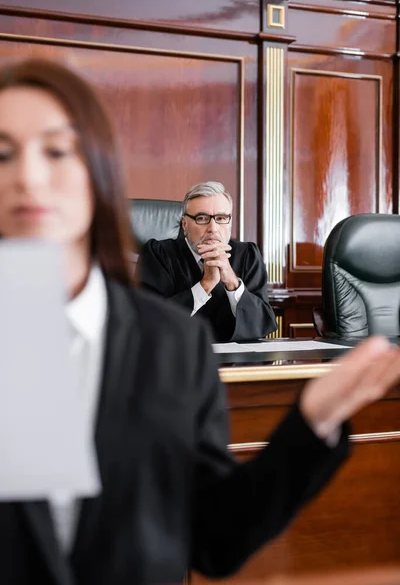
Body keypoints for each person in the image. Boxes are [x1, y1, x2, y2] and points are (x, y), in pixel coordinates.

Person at [0, 58, 399, 585]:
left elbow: (213, 537)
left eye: (55, 151)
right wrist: (205, 285)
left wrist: (311, 425)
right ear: (183, 220)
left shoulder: (172, 344)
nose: (29, 176)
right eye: (3, 154)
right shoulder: (161, 256)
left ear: (97, 174)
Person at [139, 181, 277, 342]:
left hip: (236, 364)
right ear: (184, 224)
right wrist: (206, 284)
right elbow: (150, 321)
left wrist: (232, 283)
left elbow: (263, 324)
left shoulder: (247, 255)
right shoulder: (158, 254)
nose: (213, 228)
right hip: (176, 360)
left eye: (221, 218)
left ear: (230, 222)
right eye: (202, 218)